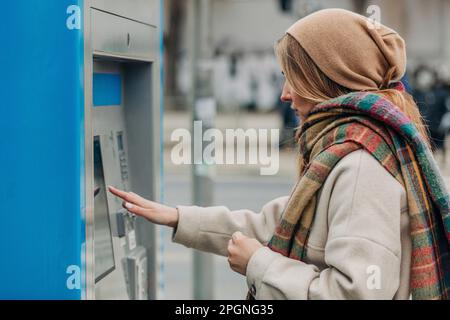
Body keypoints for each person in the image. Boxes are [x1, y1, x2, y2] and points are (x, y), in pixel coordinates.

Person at [109, 9, 450, 300]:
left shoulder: (360, 166)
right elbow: (270, 224)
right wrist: (177, 217)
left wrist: (258, 264)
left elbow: (355, 293)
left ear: (324, 80)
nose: (285, 95)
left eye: (292, 78)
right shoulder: (346, 151)